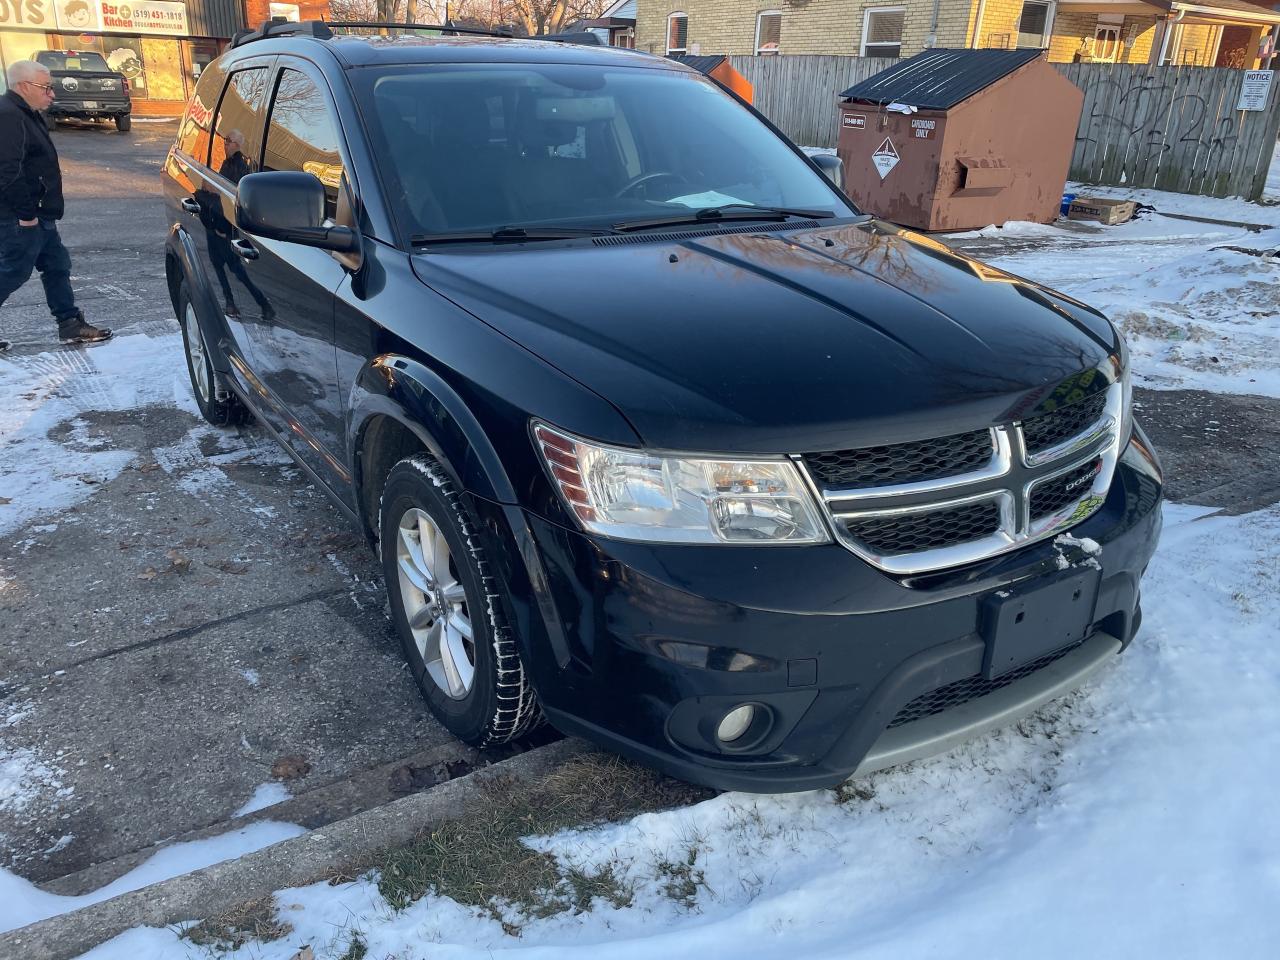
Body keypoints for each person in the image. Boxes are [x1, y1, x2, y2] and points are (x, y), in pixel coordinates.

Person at [0, 59, 112, 353]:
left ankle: (70, 325)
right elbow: (7, 170)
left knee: (57, 266)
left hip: (39, 214)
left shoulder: (28, 112)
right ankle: (69, 323)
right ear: (23, 86)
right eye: (46, 87)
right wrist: (26, 216)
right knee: (13, 271)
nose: (52, 94)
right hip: (20, 217)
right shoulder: (9, 115)